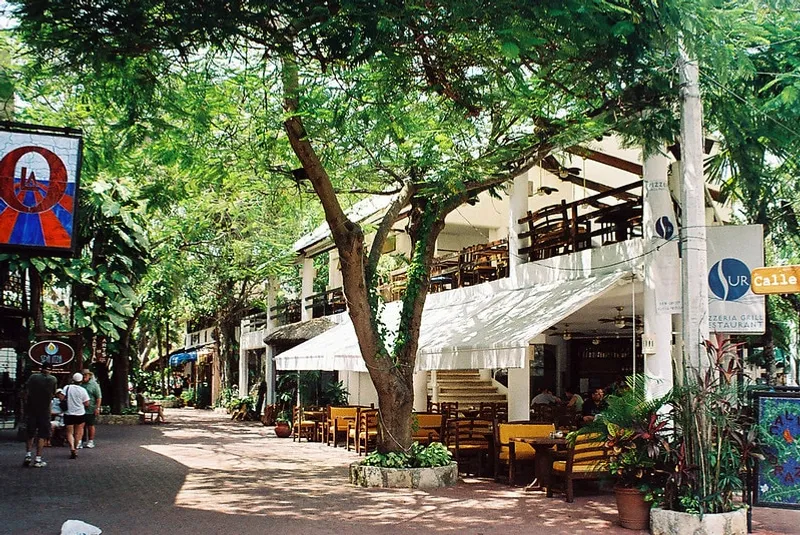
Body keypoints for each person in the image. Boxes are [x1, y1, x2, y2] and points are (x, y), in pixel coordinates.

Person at [23, 362, 57, 467]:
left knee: (30, 433)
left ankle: (28, 455)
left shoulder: (33, 377)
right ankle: (38, 459)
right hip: (44, 410)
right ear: (50, 369)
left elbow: (26, 390)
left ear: (41, 368)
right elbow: (54, 393)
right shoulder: (52, 379)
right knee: (42, 435)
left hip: (32, 409)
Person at [63, 372, 90, 459]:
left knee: (69, 432)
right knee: (79, 432)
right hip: (80, 413)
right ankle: (76, 447)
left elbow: (62, 397)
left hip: (68, 413)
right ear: (81, 381)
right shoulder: (83, 390)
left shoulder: (67, 388)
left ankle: (72, 447)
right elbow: (86, 403)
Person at [79, 369, 102, 449]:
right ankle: (80, 441)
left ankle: (91, 441)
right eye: (83, 375)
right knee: (80, 425)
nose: (84, 376)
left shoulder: (94, 385)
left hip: (90, 408)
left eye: (86, 374)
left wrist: (97, 408)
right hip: (80, 408)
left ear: (89, 375)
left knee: (90, 425)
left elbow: (98, 398)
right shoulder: (80, 384)